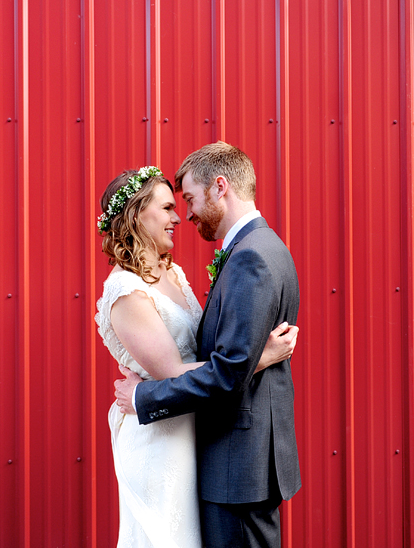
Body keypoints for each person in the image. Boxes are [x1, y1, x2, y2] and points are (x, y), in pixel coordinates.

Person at [94, 165, 298, 548]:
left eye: (180, 205)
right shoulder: (125, 290)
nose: (178, 218)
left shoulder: (174, 274)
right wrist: (260, 358)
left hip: (195, 430)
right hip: (162, 437)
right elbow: (171, 370)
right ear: (138, 214)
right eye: (169, 207)